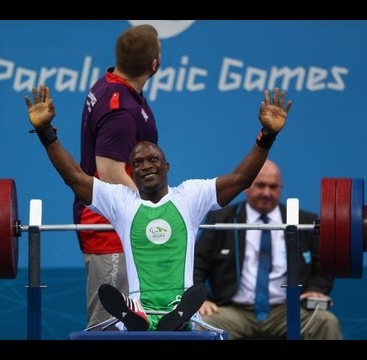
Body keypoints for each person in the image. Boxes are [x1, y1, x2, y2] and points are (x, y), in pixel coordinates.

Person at [25, 84, 291, 331]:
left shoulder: (190, 196)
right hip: (139, 309)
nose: (146, 165)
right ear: (132, 170)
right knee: (135, 316)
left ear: (166, 168)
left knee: (181, 313)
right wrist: (46, 133)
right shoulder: (121, 202)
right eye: (138, 162)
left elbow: (241, 179)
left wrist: (267, 136)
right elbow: (74, 177)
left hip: (182, 307)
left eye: (153, 159)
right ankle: (138, 316)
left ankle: (177, 316)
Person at [193, 160, 343, 340]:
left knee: (326, 321)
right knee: (201, 326)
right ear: (247, 186)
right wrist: (201, 299)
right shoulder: (222, 218)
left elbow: (323, 264)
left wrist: (317, 289)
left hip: (287, 310)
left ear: (281, 188)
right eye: (260, 185)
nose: (266, 193)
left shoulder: (304, 220)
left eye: (273, 187)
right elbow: (196, 265)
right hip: (233, 311)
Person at [73, 24, 161, 328]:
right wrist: (153, 209)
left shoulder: (109, 84)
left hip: (118, 226)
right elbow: (110, 173)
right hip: (108, 230)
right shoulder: (120, 110)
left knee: (132, 324)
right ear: (154, 64)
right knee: (107, 327)